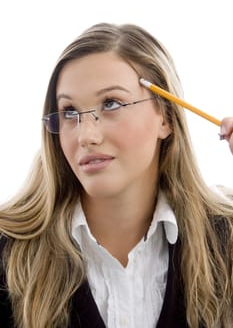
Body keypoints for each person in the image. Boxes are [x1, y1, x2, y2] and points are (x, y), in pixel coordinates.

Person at [0, 23, 233, 328]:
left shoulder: (226, 241)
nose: (86, 136)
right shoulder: (9, 252)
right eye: (69, 112)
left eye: (111, 103)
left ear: (166, 117)